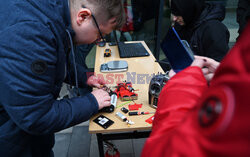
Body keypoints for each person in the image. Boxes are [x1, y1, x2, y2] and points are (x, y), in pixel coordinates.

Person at [0, 0, 125, 156]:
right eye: (100, 35)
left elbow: (54, 61)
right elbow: (37, 116)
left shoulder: (53, 14)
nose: (97, 42)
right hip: (11, 141)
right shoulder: (31, 34)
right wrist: (92, 101)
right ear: (83, 17)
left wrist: (84, 77)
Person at [141, 22, 250, 156]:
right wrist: (224, 80)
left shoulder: (213, 30)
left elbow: (167, 151)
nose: (174, 17)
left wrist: (181, 85)